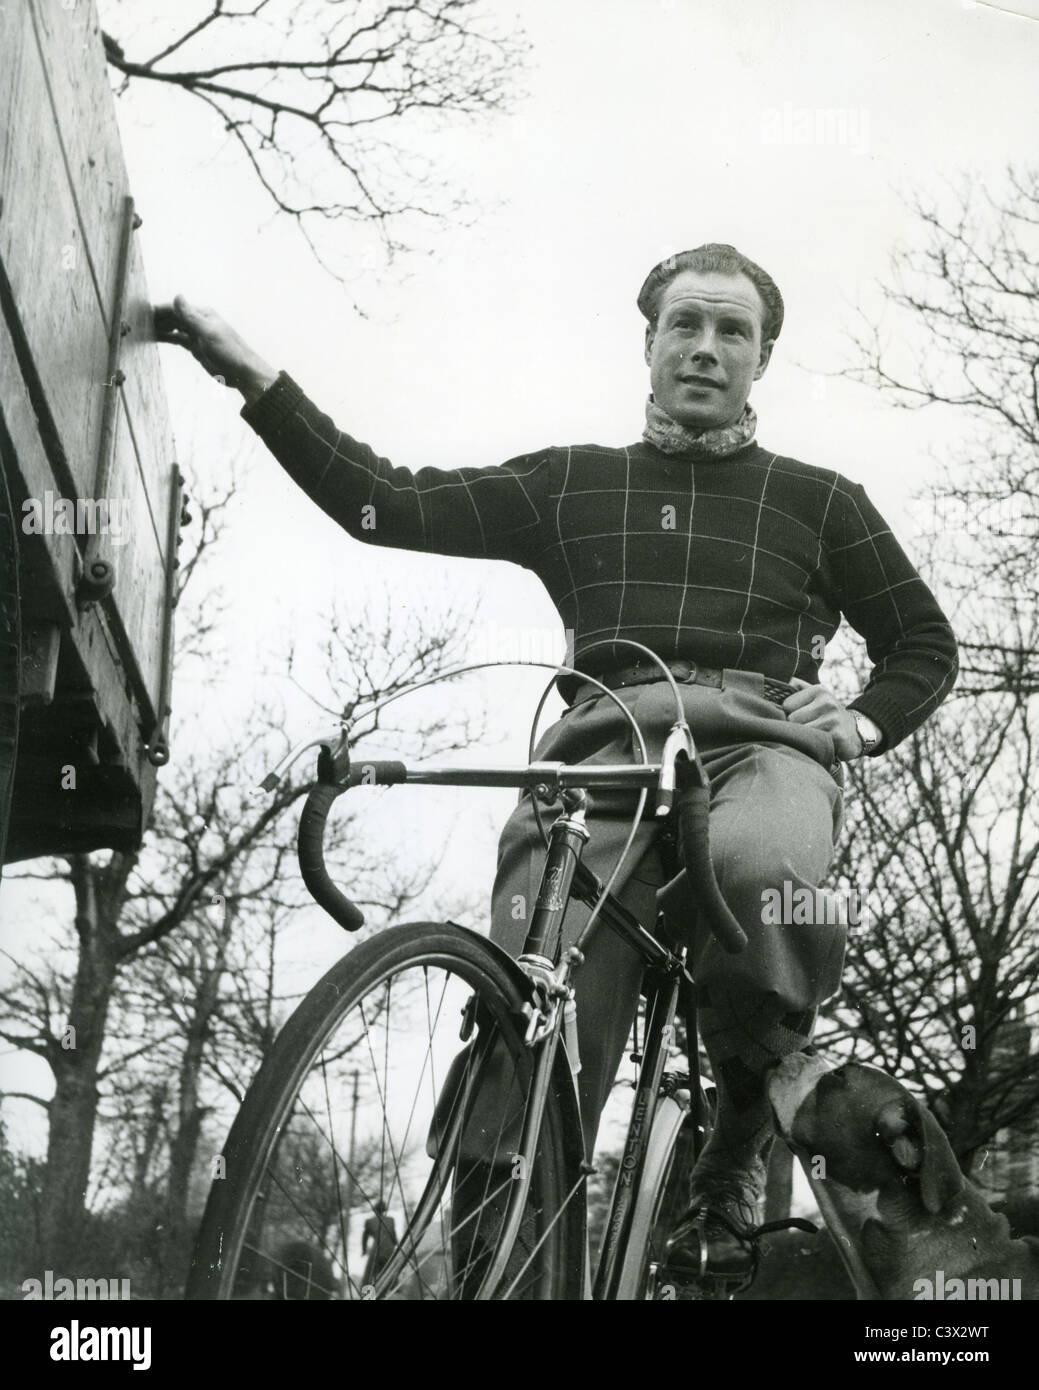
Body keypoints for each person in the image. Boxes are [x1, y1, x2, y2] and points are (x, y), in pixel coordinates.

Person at [157, 244, 958, 1287]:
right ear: (649, 342)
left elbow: (923, 644)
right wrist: (253, 378)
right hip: (603, 744)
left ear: (762, 358)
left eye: (732, 332)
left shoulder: (819, 499)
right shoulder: (571, 480)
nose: (705, 349)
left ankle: (737, 1134)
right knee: (537, 989)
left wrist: (857, 724)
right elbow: (383, 503)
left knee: (768, 873)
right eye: (685, 325)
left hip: (765, 744)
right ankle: (506, 1260)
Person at [361, 1199, 398, 1287]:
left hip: (376, 1251)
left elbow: (364, 1238)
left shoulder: (369, 1221)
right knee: (390, 1274)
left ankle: (368, 1297)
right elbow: (394, 1238)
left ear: (375, 1210)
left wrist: (364, 1250)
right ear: (384, 1210)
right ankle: (390, 1293)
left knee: (369, 1276)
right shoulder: (391, 1220)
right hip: (389, 1251)